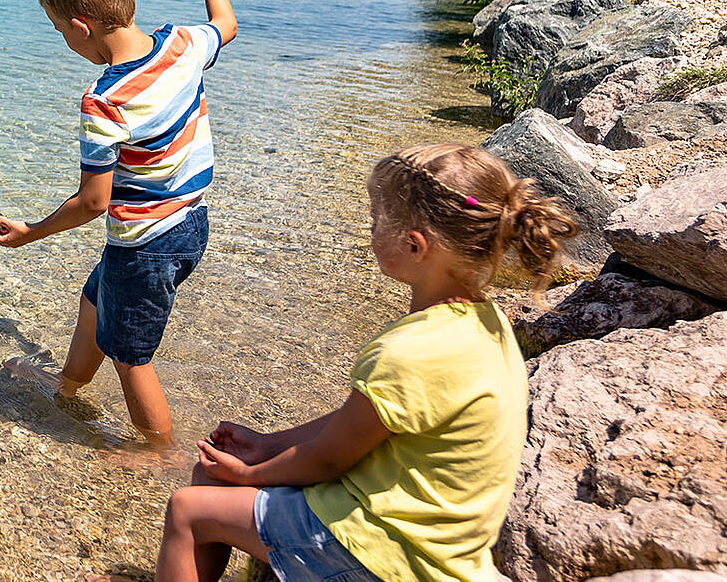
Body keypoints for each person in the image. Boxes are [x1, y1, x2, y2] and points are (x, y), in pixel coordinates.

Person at [150, 144, 576, 582]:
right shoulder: (488, 325)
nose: (370, 230)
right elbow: (362, 423)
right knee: (210, 473)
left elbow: (327, 460)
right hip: (439, 542)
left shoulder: (409, 350)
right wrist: (269, 444)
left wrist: (251, 472)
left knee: (187, 511)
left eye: (375, 222)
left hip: (387, 552)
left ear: (415, 245)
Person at [0, 0, 237, 451]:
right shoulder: (181, 45)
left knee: (131, 356)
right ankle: (68, 386)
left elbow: (93, 201)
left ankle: (159, 452)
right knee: (95, 300)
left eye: (61, 31)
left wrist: (31, 232)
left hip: (145, 241)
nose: (64, 41)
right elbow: (227, 24)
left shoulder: (105, 100)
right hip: (189, 224)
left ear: (82, 28)